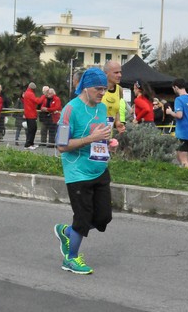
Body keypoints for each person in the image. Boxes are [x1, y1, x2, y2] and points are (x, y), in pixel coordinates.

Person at [53, 68, 117, 275]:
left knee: (103, 218)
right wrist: (90, 139)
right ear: (86, 87)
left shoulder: (101, 108)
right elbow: (61, 145)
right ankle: (71, 259)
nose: (102, 93)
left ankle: (68, 232)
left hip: (99, 169)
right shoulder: (70, 109)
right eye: (98, 89)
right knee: (83, 218)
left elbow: (100, 136)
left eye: (105, 90)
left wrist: (109, 142)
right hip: (77, 172)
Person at [165, 79, 188, 168]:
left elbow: (179, 115)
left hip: (183, 133)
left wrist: (170, 112)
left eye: (173, 88)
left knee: (183, 159)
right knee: (181, 156)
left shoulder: (179, 99)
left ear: (176, 87)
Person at [102, 61, 126, 134]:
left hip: (108, 136)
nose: (120, 75)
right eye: (116, 72)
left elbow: (116, 111)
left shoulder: (119, 90)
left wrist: (117, 122)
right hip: (94, 136)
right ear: (106, 73)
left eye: (120, 72)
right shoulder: (98, 89)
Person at [23, 82, 42, 150]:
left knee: (32, 129)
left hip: (29, 114)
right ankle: (28, 144)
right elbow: (38, 101)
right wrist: (43, 96)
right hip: (31, 114)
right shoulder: (30, 94)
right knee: (32, 129)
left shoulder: (27, 93)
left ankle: (30, 143)